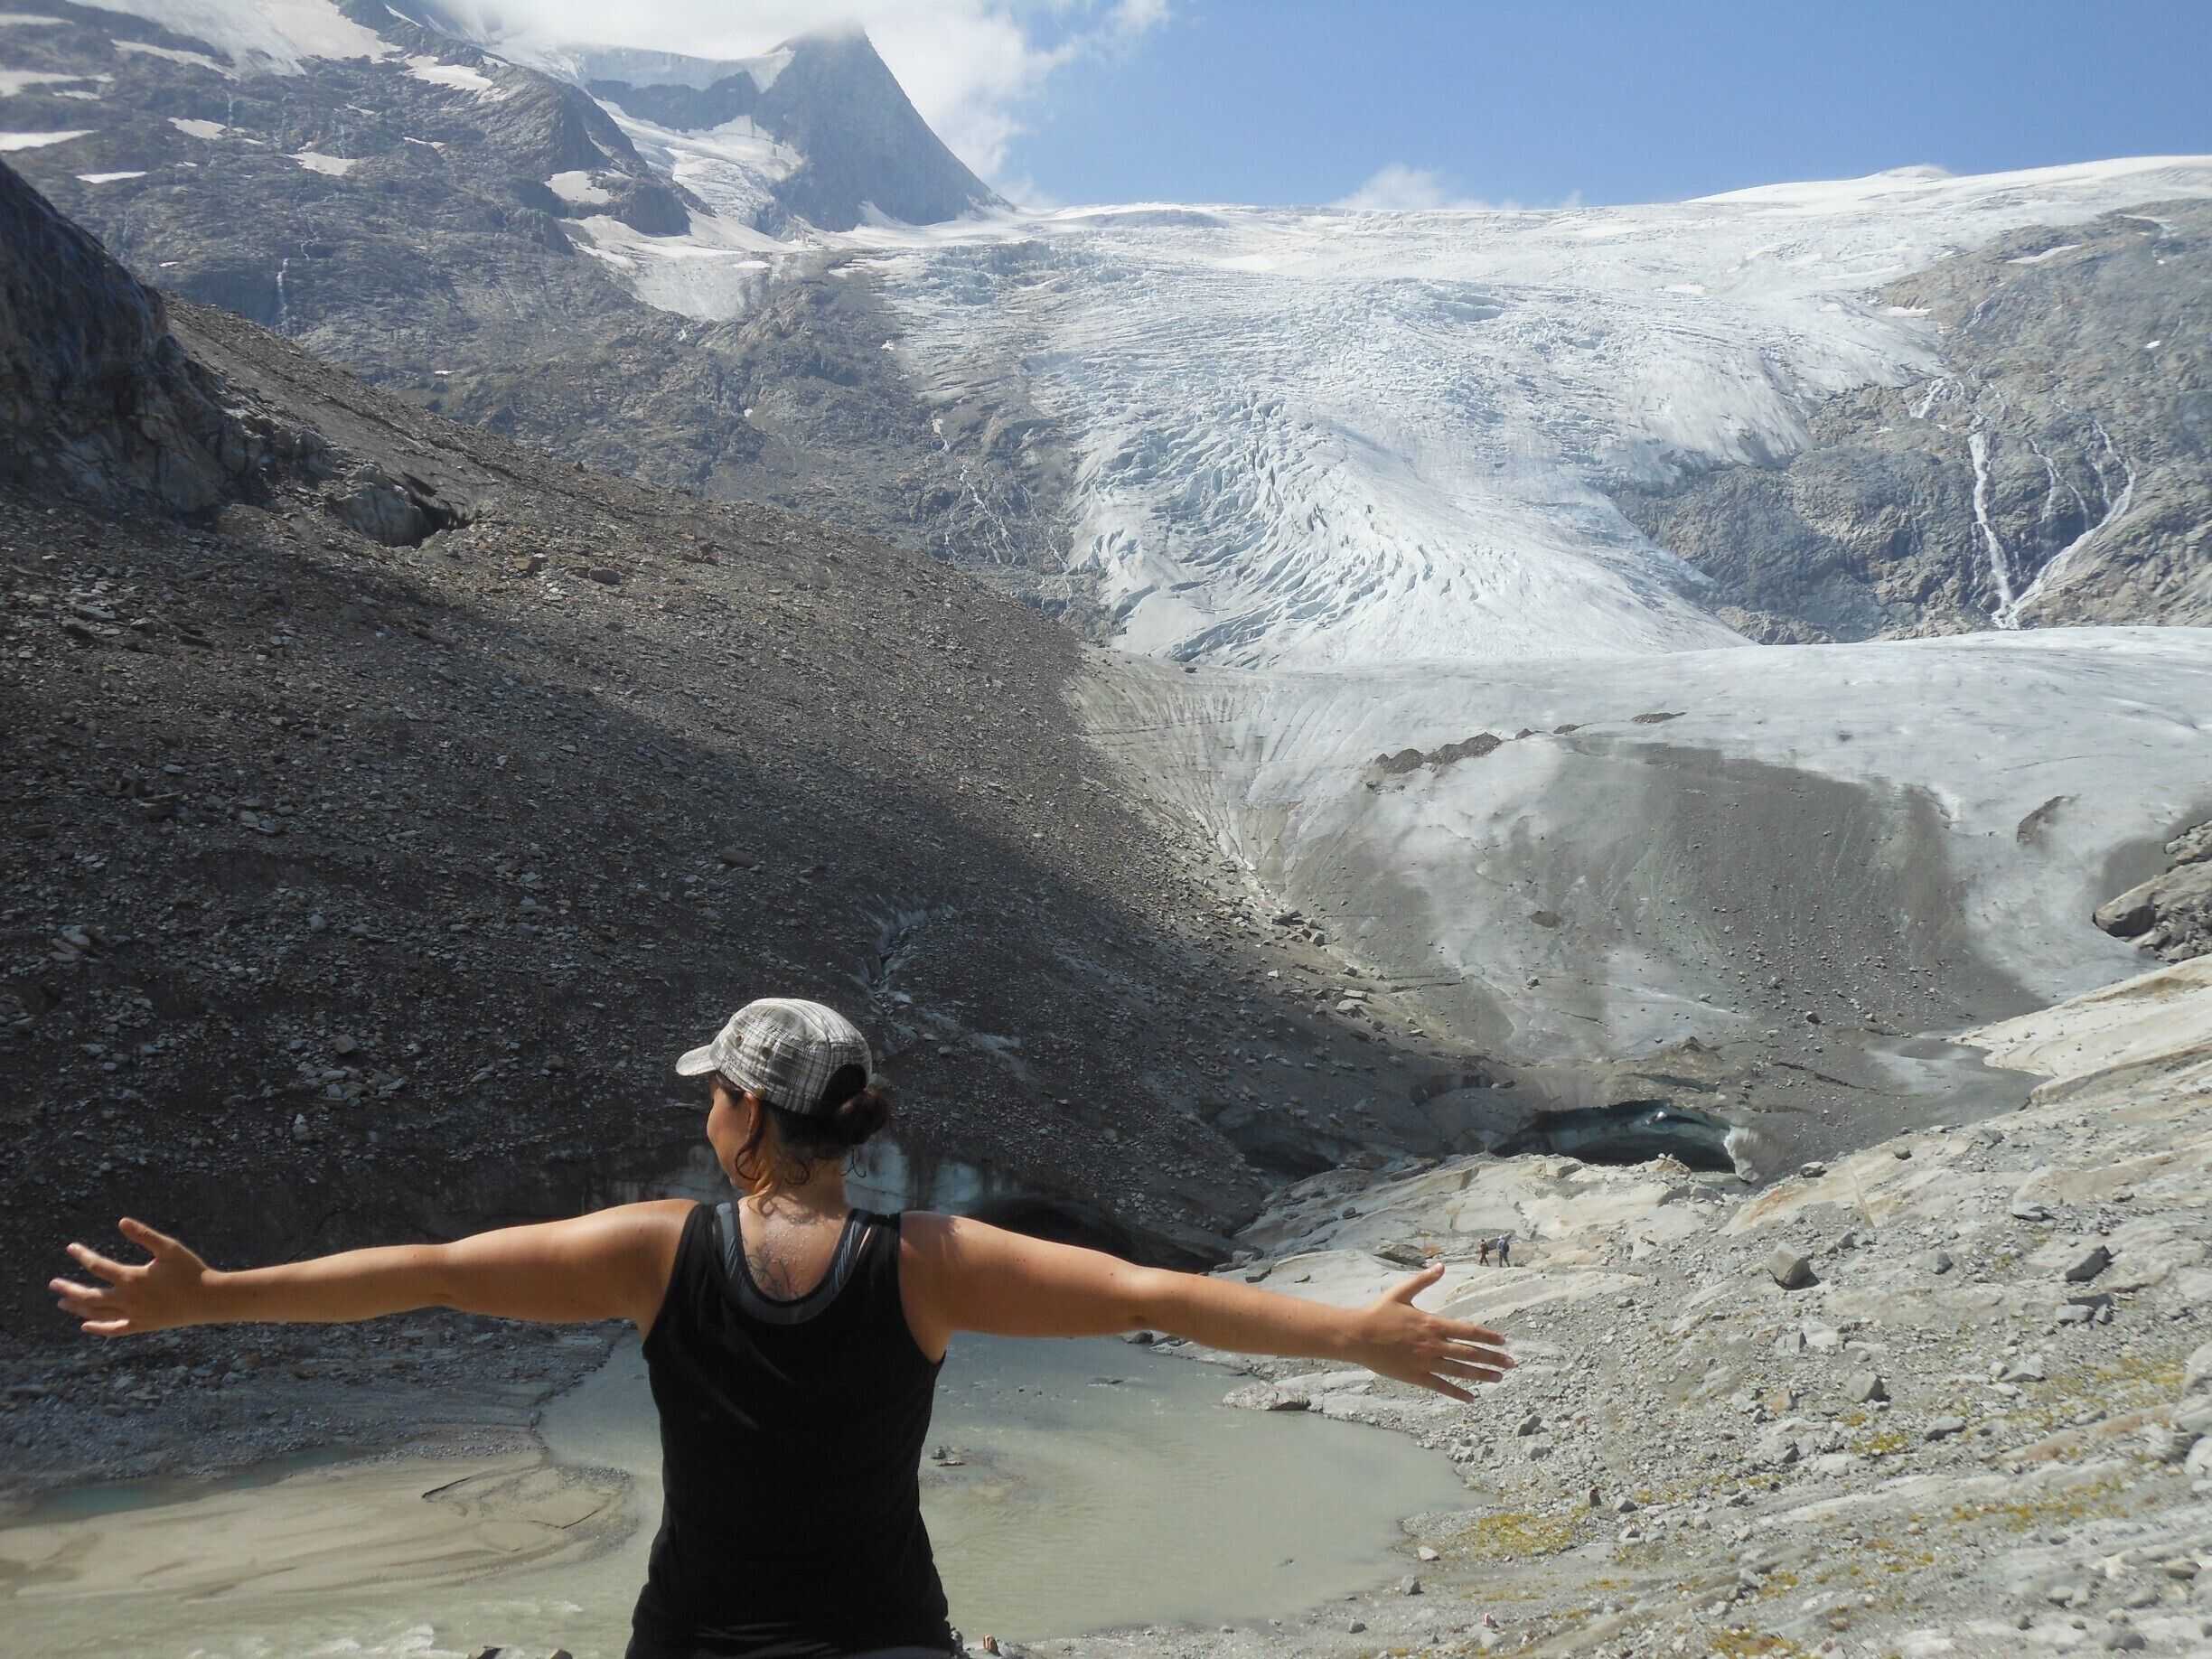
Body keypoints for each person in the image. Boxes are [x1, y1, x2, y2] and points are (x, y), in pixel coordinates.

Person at [50, 998, 1514, 1659]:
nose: (702, 1112)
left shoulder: (649, 1253)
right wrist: (1349, 1337)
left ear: (747, 1112)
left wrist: (217, 1296)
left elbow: (430, 1269)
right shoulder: (930, 1264)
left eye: (712, 1093)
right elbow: (1145, 1298)